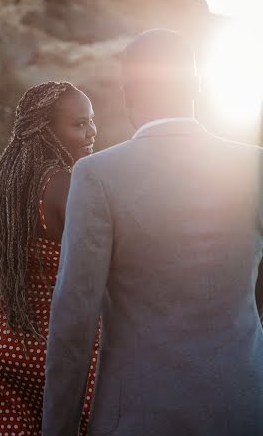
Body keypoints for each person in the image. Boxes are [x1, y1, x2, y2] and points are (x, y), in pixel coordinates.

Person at [43, 29, 263, 436]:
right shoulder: (255, 165)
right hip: (245, 406)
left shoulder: (96, 175)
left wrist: (57, 429)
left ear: (128, 94)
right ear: (198, 86)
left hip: (139, 416)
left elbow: (74, 320)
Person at [0, 81, 98, 436]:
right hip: (55, 358)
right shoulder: (70, 187)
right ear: (46, 130)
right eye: (80, 123)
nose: (91, 132)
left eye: (91, 121)